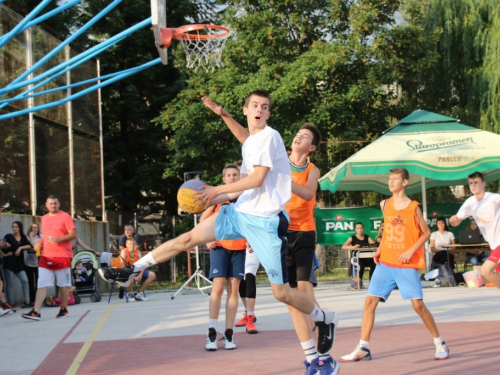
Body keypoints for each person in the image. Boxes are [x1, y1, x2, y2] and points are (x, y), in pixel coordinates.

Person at [99, 91, 338, 370]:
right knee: (187, 238)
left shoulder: (271, 136)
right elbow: (244, 140)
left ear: (269, 113)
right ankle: (131, 269)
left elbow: (258, 178)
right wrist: (222, 114)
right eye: (254, 106)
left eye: (264, 107)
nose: (259, 110)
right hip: (239, 214)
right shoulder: (251, 144)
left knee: (282, 294)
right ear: (246, 110)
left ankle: (324, 317)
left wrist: (216, 190)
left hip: (266, 223)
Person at [203, 102, 338, 372]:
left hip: (303, 234)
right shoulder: (276, 153)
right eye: (298, 133)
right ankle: (312, 356)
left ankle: (325, 337)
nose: (298, 136)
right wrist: (225, 115)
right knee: (287, 298)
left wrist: (279, 177)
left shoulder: (311, 170)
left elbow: (309, 194)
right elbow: (246, 137)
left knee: (304, 291)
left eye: (305, 137)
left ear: (311, 147)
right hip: (276, 230)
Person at [341, 168, 449, 363]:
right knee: (369, 302)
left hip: (406, 263)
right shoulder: (385, 204)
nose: (391, 181)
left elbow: (425, 233)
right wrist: (380, 248)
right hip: (386, 262)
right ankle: (363, 347)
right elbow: (388, 229)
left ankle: (440, 343)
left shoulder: (413, 207)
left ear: (405, 182)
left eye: (395, 178)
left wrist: (410, 250)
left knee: (418, 305)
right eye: (389, 178)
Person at [201, 163, 247, 350]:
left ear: (239, 177)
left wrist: (252, 240)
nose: (232, 177)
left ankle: (229, 333)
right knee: (218, 287)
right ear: (223, 179)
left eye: (235, 174)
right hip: (220, 246)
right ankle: (212, 332)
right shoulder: (217, 199)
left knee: (234, 288)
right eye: (228, 175)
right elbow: (203, 222)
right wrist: (207, 240)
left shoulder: (245, 199)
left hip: (239, 247)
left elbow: (253, 221)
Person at [22, 195, 77, 321]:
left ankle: (64, 309)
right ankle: (36, 311)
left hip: (62, 255)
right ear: (46, 205)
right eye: (51, 204)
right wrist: (39, 244)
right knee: (41, 284)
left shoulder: (65, 216)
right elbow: (44, 235)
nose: (53, 206)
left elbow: (73, 234)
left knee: (63, 285)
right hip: (46, 256)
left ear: (59, 204)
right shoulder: (44, 218)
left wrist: (59, 239)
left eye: (55, 203)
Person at [449, 171, 500, 288]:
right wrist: (454, 220)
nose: (473, 185)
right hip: (493, 245)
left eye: (476, 182)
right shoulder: (469, 202)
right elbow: (457, 221)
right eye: (471, 183)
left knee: (485, 271)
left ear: (483, 184)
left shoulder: (493, 198)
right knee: (496, 274)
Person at [1, 221, 31, 308]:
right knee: (9, 283)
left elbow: (29, 246)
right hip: (9, 263)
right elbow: (1, 245)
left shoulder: (23, 237)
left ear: (20, 228)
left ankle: (27, 301)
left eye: (16, 227)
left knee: (25, 280)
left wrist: (20, 248)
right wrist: (4, 254)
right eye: (13, 227)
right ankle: (11, 302)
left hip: (19, 264)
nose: (14, 228)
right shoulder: (8, 236)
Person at [117, 237, 156, 301]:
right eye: (130, 244)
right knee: (131, 277)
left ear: (136, 245)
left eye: (133, 244)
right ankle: (130, 294)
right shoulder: (124, 251)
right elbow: (122, 265)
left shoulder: (138, 252)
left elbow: (143, 264)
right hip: (124, 272)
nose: (131, 246)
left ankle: (139, 293)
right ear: (126, 245)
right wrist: (133, 275)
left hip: (135, 271)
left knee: (152, 275)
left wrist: (140, 275)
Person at [235, 243, 259, 333]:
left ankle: (250, 317)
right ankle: (248, 312)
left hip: (253, 242)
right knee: (241, 278)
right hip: (238, 245)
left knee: (249, 276)